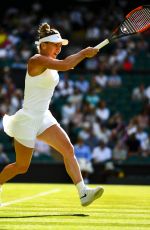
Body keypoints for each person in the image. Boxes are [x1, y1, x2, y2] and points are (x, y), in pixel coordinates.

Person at [0, 22, 104, 206]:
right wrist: (83, 53)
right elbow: (65, 65)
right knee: (21, 166)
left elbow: (65, 64)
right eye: (55, 45)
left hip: (44, 117)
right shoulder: (36, 60)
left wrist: (82, 55)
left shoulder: (52, 62)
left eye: (59, 45)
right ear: (43, 45)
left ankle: (83, 192)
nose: (58, 48)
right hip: (28, 119)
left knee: (68, 150)